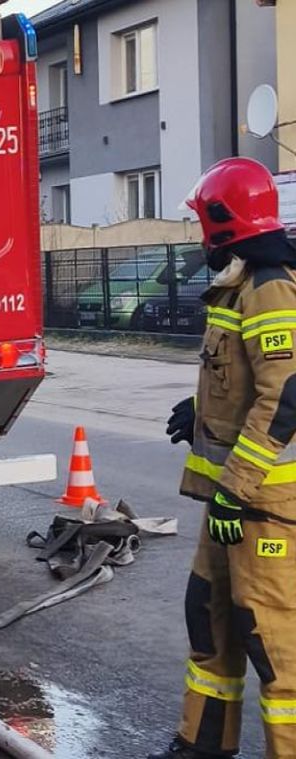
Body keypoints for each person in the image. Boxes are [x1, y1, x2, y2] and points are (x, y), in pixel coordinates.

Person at [155, 157, 296, 759]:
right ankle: (203, 745)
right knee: (209, 620)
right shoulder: (241, 285)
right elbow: (236, 380)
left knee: (273, 643)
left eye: (203, 221)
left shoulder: (272, 287)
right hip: (231, 504)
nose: (199, 233)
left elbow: (286, 396)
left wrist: (236, 490)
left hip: (263, 506)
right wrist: (199, 413)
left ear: (224, 219)